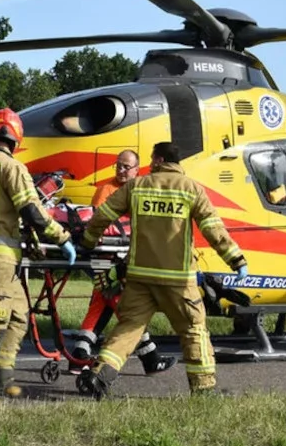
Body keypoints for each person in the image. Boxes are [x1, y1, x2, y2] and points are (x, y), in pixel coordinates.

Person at [78, 141, 248, 399]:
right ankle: (203, 388)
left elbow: (102, 215)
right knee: (193, 328)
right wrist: (236, 259)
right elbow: (213, 228)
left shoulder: (136, 187)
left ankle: (100, 374)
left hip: (139, 277)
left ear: (157, 160)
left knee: (129, 326)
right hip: (178, 280)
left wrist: (88, 242)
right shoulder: (192, 189)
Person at [0, 108, 75, 408]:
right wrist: (62, 238)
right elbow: (33, 213)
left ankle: (3, 375)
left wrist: (29, 241)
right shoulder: (12, 167)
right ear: (15, 138)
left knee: (19, 313)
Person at [67, 150, 177, 376]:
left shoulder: (139, 189)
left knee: (101, 303)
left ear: (138, 169)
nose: (121, 170)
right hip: (107, 258)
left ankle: (79, 355)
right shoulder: (106, 191)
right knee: (126, 308)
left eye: (126, 166)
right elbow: (97, 222)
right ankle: (150, 357)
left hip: (125, 256)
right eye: (118, 165)